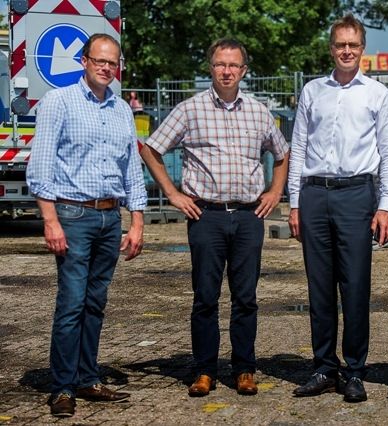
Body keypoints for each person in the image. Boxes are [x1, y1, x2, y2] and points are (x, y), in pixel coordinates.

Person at [140, 38, 289, 398]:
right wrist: (173, 193)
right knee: (205, 297)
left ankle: (244, 369)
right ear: (211, 67)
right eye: (220, 64)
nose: (226, 71)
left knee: (246, 297)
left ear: (244, 71)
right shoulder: (190, 110)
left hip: (248, 215)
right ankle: (204, 370)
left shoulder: (258, 112)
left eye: (233, 65)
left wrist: (274, 192)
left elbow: (283, 154)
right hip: (206, 215)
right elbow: (150, 148)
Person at [26, 33, 147, 418]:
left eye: (113, 63)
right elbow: (41, 166)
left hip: (110, 218)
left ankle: (87, 378)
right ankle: (63, 387)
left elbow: (132, 168)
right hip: (73, 215)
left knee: (95, 303)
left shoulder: (122, 109)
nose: (106, 68)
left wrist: (137, 220)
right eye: (100, 61)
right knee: (72, 302)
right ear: (84, 61)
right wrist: (50, 221)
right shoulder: (59, 101)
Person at [287, 14, 388, 403]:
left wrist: (385, 206)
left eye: (352, 44)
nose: (346, 50)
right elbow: (298, 146)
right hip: (315, 194)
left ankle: (353, 371)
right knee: (319, 286)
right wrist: (295, 202)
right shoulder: (313, 90)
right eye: (340, 44)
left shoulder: (377, 94)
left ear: (362, 49)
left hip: (356, 194)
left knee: (354, 286)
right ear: (331, 48)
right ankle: (323, 367)